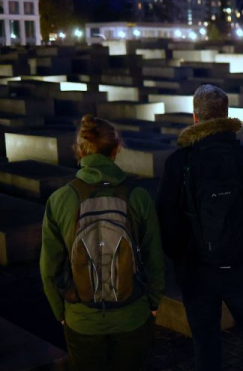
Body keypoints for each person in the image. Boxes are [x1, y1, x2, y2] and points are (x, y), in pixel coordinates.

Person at [156, 84, 243, 371]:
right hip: (240, 267)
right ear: (226, 115)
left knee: (206, 344)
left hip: (196, 272)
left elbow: (166, 218)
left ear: (195, 118)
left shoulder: (179, 162)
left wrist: (183, 256)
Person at [40, 115, 165, 371]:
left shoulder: (60, 199)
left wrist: (61, 313)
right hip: (133, 313)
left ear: (80, 150)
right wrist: (153, 303)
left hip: (81, 317)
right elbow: (154, 258)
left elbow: (49, 268)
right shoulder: (138, 196)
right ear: (117, 148)